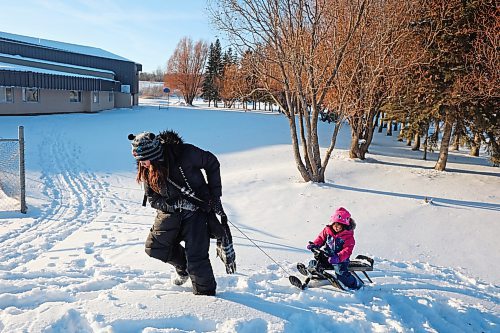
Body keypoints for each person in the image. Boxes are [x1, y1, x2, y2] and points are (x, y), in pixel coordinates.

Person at [128, 130, 235, 296]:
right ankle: (183, 268)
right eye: (139, 161)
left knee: (197, 259)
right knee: (154, 247)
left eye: (144, 160)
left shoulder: (185, 153)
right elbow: (153, 200)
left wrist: (215, 196)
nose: (142, 164)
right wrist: (175, 204)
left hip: (197, 213)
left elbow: (212, 163)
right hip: (170, 215)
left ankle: (206, 298)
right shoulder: (147, 168)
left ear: (155, 154)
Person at [307, 207, 362, 290]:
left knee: (341, 274)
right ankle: (314, 271)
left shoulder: (348, 237)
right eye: (335, 225)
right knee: (316, 262)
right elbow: (321, 238)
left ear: (344, 226)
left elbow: (347, 250)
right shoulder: (327, 230)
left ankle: (354, 283)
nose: (336, 228)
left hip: (340, 259)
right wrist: (315, 245)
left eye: (339, 226)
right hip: (327, 255)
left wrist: (338, 257)